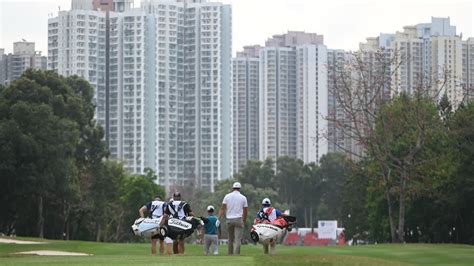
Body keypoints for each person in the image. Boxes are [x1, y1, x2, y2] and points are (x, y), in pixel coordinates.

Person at [218, 182, 248, 255]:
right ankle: (236, 254)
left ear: (233, 188)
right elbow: (245, 211)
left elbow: (222, 208)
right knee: (237, 239)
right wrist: (243, 221)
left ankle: (230, 254)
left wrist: (218, 219)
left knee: (230, 238)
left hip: (229, 219)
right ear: (240, 189)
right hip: (238, 219)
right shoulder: (243, 197)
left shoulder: (227, 196)